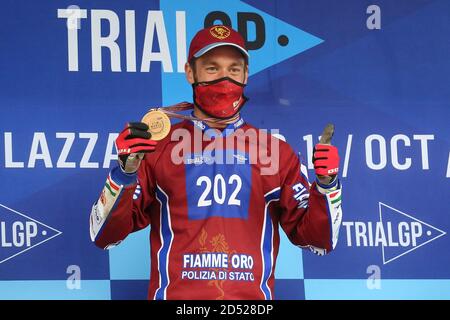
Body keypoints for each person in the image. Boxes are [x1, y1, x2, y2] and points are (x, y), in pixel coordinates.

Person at [89, 25, 342, 300]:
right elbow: (104, 236)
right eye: (212, 68)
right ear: (190, 72)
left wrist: (327, 186)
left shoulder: (276, 153)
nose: (224, 78)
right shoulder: (156, 148)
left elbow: (319, 241)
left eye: (234, 69)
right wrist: (124, 174)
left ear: (246, 74)